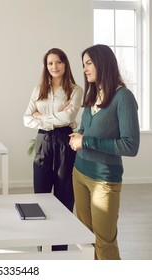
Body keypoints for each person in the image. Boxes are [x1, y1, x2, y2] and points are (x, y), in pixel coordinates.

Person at [69, 44, 140, 260]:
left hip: (104, 180)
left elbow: (130, 146)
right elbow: (84, 128)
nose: (84, 69)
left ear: (104, 63)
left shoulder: (123, 97)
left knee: (105, 240)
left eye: (89, 63)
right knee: (85, 237)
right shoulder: (93, 94)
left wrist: (86, 141)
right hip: (79, 173)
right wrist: (77, 137)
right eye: (83, 64)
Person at [23, 48, 83, 212]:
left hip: (64, 140)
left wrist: (41, 117)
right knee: (40, 189)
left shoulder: (75, 90)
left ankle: (64, 232)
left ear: (65, 64)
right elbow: (26, 118)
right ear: (46, 66)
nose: (54, 66)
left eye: (58, 62)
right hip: (43, 140)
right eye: (50, 63)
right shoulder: (38, 89)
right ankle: (43, 232)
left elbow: (68, 118)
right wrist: (55, 117)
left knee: (64, 189)